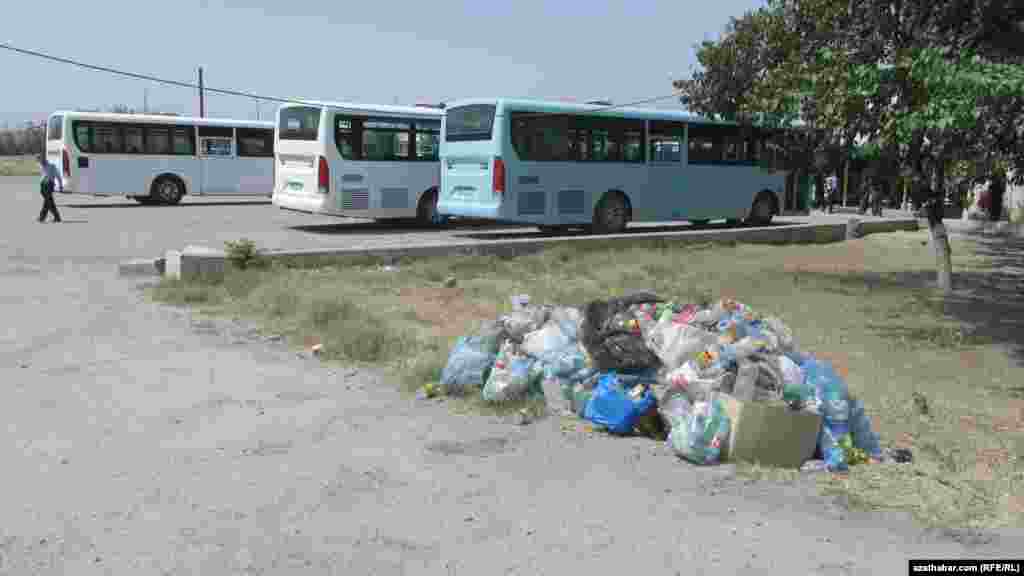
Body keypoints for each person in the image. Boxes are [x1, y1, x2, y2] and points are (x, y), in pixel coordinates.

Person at [37, 153, 63, 223]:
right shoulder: (41, 166)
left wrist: (60, 185)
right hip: (43, 186)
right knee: (50, 202)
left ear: (44, 159)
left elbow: (58, 175)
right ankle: (57, 217)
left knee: (47, 202)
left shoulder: (51, 166)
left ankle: (42, 217)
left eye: (40, 160)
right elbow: (42, 175)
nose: (40, 162)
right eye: (38, 161)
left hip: (49, 185)